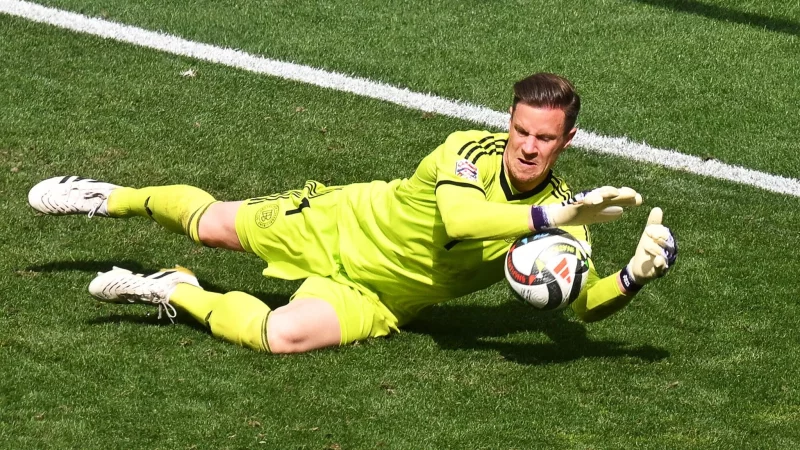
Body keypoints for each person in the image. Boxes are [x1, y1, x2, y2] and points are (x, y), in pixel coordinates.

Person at [28, 73, 677, 354]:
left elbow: (583, 303)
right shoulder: (466, 153)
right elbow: (461, 222)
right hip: (337, 223)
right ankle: (109, 197)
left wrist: (633, 278)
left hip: (381, 297)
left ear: (566, 141)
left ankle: (173, 289)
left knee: (280, 337)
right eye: (520, 131)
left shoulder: (570, 209)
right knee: (211, 225)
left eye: (544, 138)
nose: (528, 147)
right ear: (508, 124)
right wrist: (552, 221)